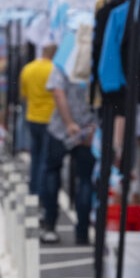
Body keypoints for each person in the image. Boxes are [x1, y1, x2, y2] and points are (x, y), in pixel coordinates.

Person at [41, 61, 97, 245]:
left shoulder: (66, 58)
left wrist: (68, 123)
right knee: (85, 180)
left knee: (52, 172)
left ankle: (49, 224)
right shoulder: (97, 57)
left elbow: (57, 91)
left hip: (60, 128)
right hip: (88, 128)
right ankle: (82, 233)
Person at [19, 43, 57, 196]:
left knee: (35, 154)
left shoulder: (28, 68)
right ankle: (42, 190)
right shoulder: (54, 70)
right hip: (49, 118)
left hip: (32, 116)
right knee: (45, 157)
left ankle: (33, 187)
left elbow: (23, 95)